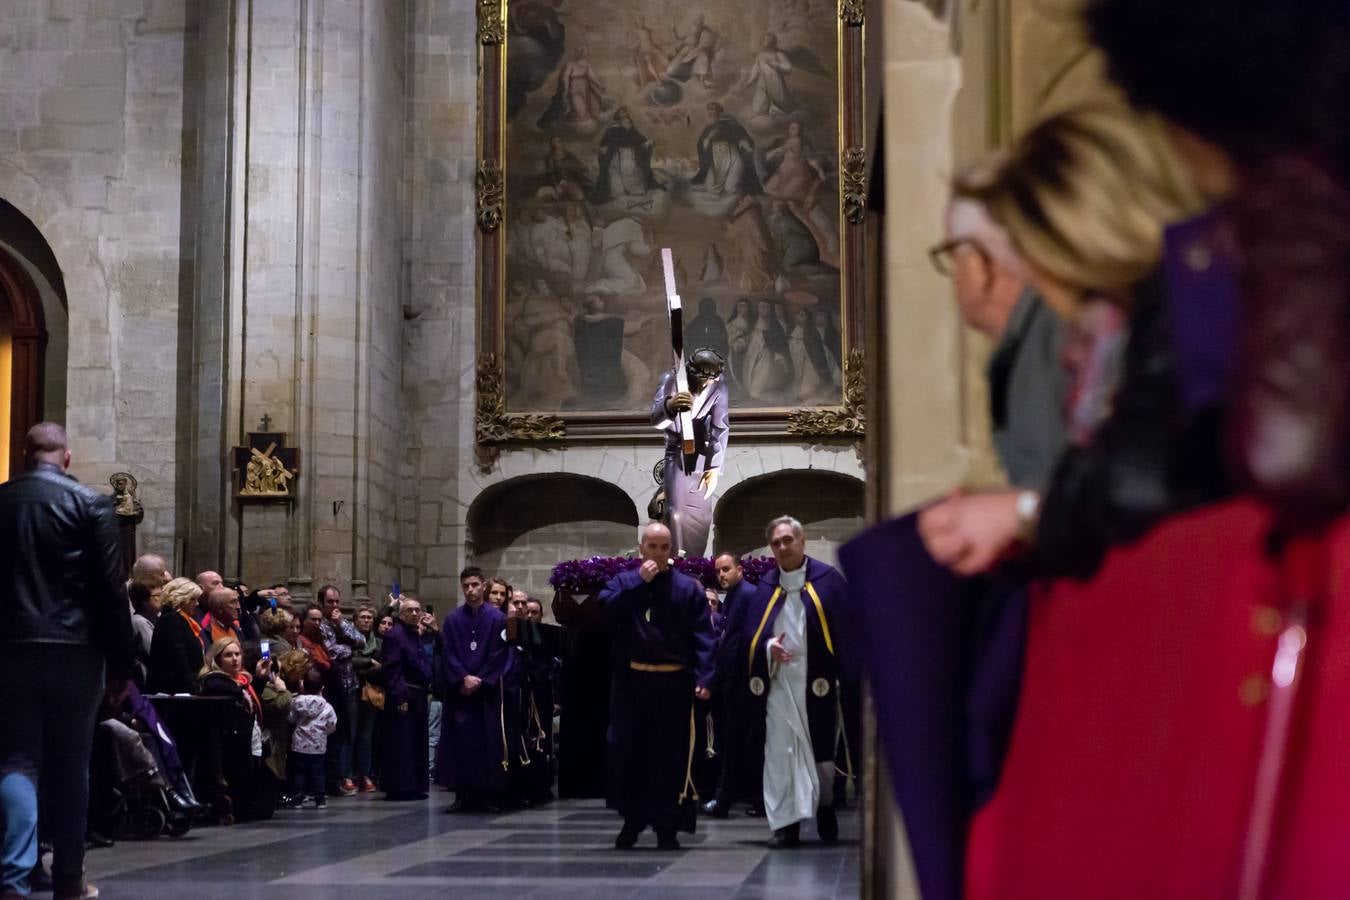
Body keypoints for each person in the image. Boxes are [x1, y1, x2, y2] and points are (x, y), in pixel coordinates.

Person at [0, 424, 130, 900]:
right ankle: (69, 879)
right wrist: (121, 663)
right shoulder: (91, 504)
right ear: (68, 457)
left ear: (25, 453)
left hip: (10, 649)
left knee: (15, 761)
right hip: (75, 650)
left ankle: (13, 876)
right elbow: (111, 590)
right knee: (72, 765)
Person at [928, 186, 1066, 492]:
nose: (953, 276)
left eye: (953, 256)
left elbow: (1060, 483)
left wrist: (1013, 513)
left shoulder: (1051, 340)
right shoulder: (1030, 335)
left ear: (980, 264)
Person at [601, 522, 715, 851]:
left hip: (674, 684)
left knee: (670, 757)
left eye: (664, 547)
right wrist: (640, 583)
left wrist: (705, 678)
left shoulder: (688, 588)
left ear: (671, 549)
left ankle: (668, 827)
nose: (658, 553)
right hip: (632, 684)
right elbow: (607, 614)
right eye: (652, 547)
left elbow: (703, 637)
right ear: (641, 549)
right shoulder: (623, 582)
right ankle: (632, 822)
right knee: (629, 753)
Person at [751, 516, 850, 848]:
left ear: (802, 542)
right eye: (776, 542)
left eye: (787, 540)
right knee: (781, 755)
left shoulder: (828, 581)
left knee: (821, 756)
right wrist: (768, 649)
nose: (782, 547)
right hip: (780, 686)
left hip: (817, 683)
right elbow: (752, 637)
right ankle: (787, 823)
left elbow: (848, 633)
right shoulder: (766, 587)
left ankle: (824, 809)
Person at [438, 567, 510, 812]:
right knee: (460, 743)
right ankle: (461, 795)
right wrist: (462, 678)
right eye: (466, 585)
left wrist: (481, 679)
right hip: (461, 692)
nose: (471, 590)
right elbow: (447, 652)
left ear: (483, 586)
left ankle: (487, 795)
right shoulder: (452, 619)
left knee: (487, 743)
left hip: (485, 692)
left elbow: (500, 653)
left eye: (475, 585)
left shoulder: (498, 619)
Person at [703, 552, 766, 818]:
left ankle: (725, 800)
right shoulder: (739, 596)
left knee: (738, 741)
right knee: (739, 742)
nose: (721, 575)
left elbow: (742, 642)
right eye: (718, 571)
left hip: (741, 681)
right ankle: (745, 799)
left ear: (739, 569)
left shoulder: (747, 595)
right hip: (736, 679)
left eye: (726, 569)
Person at [651, 348, 730, 557]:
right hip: (677, 453)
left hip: (703, 456)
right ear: (691, 370)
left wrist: (714, 468)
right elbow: (656, 419)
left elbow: (720, 428)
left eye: (711, 378)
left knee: (702, 519)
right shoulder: (672, 379)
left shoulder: (718, 387)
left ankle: (695, 566)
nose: (706, 383)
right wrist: (670, 405)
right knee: (676, 514)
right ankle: (676, 562)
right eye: (702, 377)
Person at [379, 596, 435, 801]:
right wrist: (400, 696)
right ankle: (401, 787)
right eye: (409, 610)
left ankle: (415, 785)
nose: (414, 613)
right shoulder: (396, 635)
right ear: (401, 614)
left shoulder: (414, 634)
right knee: (402, 742)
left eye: (417, 610)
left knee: (417, 741)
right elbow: (393, 669)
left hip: (418, 694)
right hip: (404, 695)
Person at [316, 584, 363, 798]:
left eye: (337, 602)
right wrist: (349, 648)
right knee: (333, 736)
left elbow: (360, 640)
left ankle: (343, 777)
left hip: (349, 685)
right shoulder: (320, 625)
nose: (334, 606)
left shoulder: (340, 623)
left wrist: (341, 624)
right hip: (332, 687)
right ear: (321, 604)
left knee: (347, 735)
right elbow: (331, 652)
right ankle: (334, 779)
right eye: (330, 602)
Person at [288, 667, 338, 809]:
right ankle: (320, 799)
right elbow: (332, 724)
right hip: (318, 746)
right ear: (322, 688)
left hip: (299, 745)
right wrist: (323, 734)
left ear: (302, 685)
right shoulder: (327, 707)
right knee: (318, 773)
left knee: (299, 773)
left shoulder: (296, 702)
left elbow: (291, 718)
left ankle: (298, 799)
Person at [147, 577, 206, 695]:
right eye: (192, 599)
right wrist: (193, 688)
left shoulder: (182, 620)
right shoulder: (171, 620)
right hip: (174, 691)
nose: (197, 603)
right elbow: (179, 658)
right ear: (180, 599)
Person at [351, 605, 383, 793]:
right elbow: (349, 662)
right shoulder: (349, 640)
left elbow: (383, 666)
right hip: (352, 690)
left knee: (367, 735)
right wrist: (369, 662)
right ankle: (349, 773)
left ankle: (365, 773)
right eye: (362, 617)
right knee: (351, 734)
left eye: (369, 617)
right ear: (355, 621)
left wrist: (365, 667)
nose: (366, 620)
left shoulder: (378, 642)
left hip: (372, 691)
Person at [199, 586, 243, 652]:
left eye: (237, 601)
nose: (238, 607)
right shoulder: (205, 632)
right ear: (219, 608)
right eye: (233, 602)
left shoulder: (236, 629)